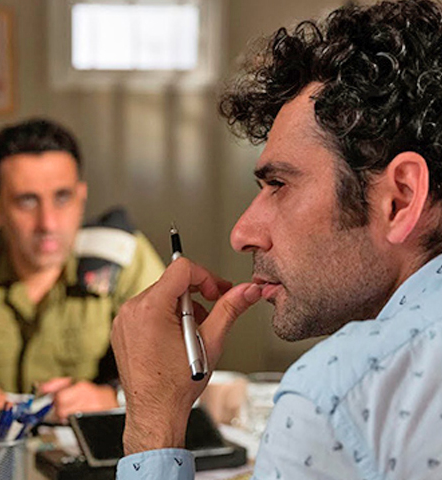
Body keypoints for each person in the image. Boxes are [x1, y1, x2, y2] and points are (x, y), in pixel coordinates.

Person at [111, 0, 442, 478]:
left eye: (279, 185)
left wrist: (153, 425)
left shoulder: (334, 394)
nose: (241, 234)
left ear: (400, 198)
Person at [0, 118, 164, 421]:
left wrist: (112, 397)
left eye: (62, 197)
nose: (48, 223)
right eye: (27, 201)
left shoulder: (123, 258)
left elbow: (176, 366)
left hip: (92, 441)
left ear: (81, 197)